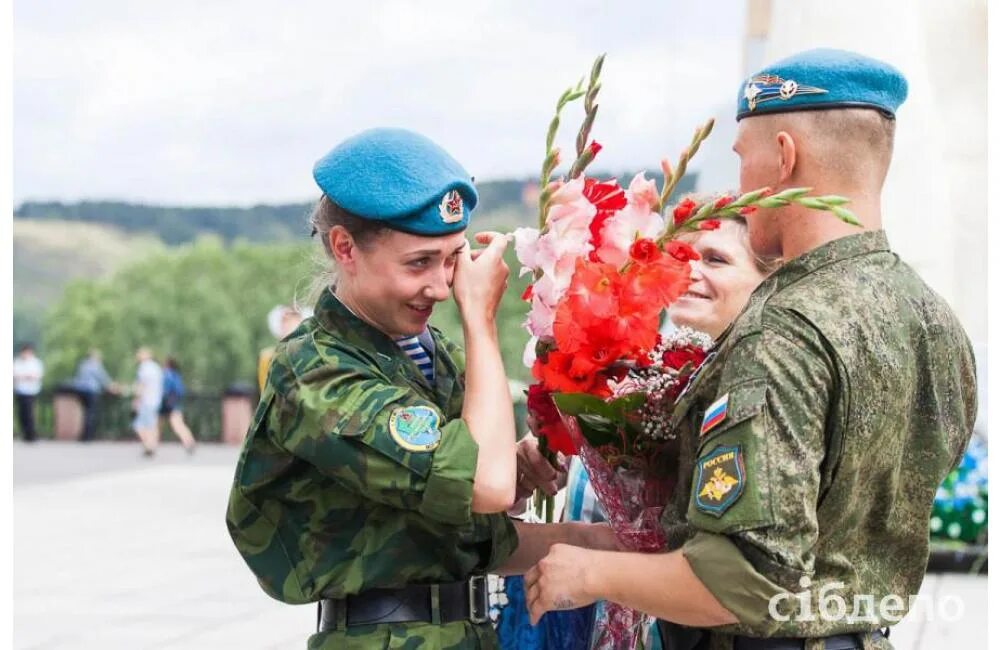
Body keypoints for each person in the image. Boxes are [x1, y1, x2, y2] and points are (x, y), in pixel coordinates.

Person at [523, 48, 977, 649]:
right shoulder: (935, 319)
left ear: (784, 156)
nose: (738, 183)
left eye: (741, 158)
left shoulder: (783, 332)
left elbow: (746, 580)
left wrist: (590, 572)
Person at [226, 128, 617, 650]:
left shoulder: (429, 356)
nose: (441, 285)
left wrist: (615, 541)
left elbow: (471, 530)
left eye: (453, 257)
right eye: (419, 263)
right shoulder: (317, 372)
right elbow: (486, 486)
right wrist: (481, 323)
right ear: (345, 248)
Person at [257, 304, 312, 392]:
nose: (290, 326)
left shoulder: (312, 353)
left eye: (294, 320)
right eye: (286, 322)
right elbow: (266, 389)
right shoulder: (267, 357)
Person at [71, 349, 118, 442]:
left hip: (81, 390)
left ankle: (83, 435)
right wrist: (113, 387)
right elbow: (103, 378)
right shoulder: (95, 365)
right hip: (91, 390)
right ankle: (88, 436)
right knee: (90, 413)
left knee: (85, 413)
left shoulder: (83, 364)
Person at [159, 357, 197, 453]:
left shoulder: (168, 375)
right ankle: (190, 441)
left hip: (167, 403)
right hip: (175, 403)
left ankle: (150, 446)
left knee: (162, 425)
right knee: (177, 425)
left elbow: (165, 390)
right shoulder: (176, 375)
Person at [131, 347, 164, 456]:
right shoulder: (156, 367)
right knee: (152, 424)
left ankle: (148, 445)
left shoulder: (144, 367)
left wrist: (136, 399)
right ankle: (152, 444)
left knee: (139, 425)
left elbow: (142, 385)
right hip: (156, 400)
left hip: (146, 400)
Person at [13, 342, 44, 442]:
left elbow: (36, 376)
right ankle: (25, 433)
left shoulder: (36, 362)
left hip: (31, 391)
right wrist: (26, 376)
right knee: (21, 413)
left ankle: (31, 434)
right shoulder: (17, 362)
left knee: (30, 413)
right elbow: (15, 375)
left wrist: (25, 376)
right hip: (20, 391)